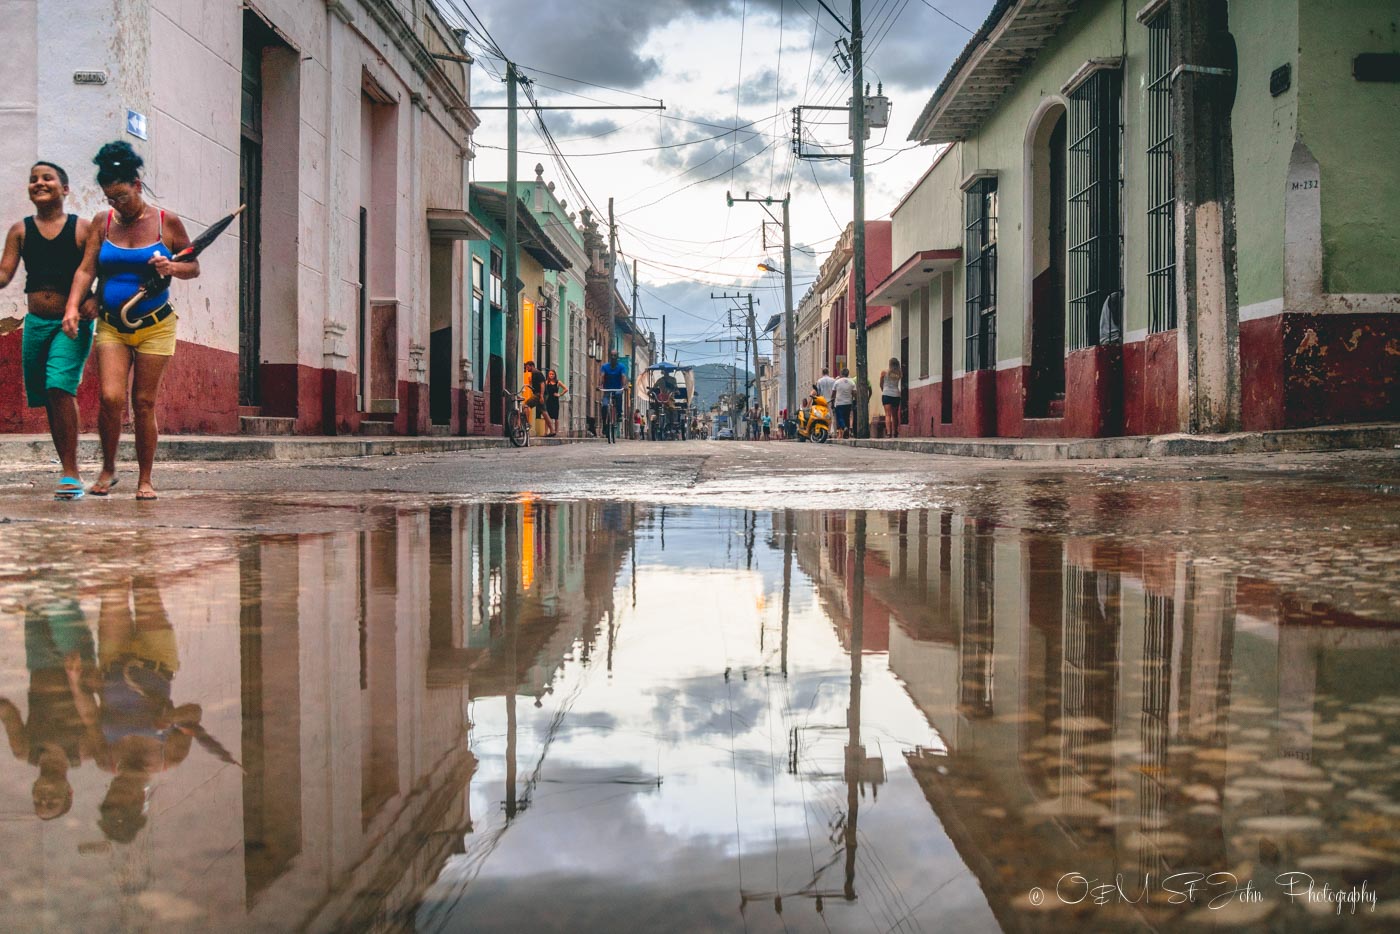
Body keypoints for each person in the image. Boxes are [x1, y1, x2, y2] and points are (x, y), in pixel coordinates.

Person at [66, 142, 201, 502]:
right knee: (110, 397)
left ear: (137, 186)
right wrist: (74, 306)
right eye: (110, 199)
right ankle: (109, 469)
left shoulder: (166, 222)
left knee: (143, 402)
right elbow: (86, 268)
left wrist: (171, 267)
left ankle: (145, 478)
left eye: (122, 197)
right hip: (112, 324)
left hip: (155, 325)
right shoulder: (103, 222)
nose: (117, 206)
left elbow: (193, 265)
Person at [0, 162, 97, 500]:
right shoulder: (20, 231)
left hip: (72, 325)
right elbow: (4, 275)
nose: (39, 183)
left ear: (65, 189)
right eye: (33, 179)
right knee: (47, 398)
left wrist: (95, 299)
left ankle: (71, 473)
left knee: (59, 387)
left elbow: (102, 268)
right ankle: (66, 468)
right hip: (36, 325)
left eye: (47, 178)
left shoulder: (83, 229)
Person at [0, 581, 98, 820]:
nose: (44, 797)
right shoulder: (84, 751)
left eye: (38, 801)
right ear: (69, 792)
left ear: (33, 790)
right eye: (52, 801)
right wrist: (75, 680)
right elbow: (93, 713)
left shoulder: (25, 750)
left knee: (35, 593)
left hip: (39, 661)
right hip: (75, 663)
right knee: (59, 594)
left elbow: (6, 711)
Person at [599, 350, 626, 443]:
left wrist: (624, 386)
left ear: (617, 357)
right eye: (612, 355)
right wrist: (600, 385)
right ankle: (604, 423)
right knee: (605, 405)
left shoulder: (621, 367)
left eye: (615, 356)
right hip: (607, 390)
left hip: (617, 389)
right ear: (610, 357)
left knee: (618, 396)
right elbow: (602, 376)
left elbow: (623, 377)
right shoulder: (605, 366)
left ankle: (619, 413)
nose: (613, 357)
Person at [880, 356, 903, 439]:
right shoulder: (899, 374)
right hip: (896, 394)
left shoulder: (884, 372)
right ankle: (895, 432)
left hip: (886, 393)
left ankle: (888, 432)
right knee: (895, 415)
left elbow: (881, 383)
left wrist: (883, 389)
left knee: (887, 414)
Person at [832, 368, 857, 439]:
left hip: (839, 402)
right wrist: (855, 399)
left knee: (840, 417)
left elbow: (833, 392)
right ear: (848, 374)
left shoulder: (837, 382)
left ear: (841, 373)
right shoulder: (852, 382)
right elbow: (854, 393)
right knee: (847, 418)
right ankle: (847, 433)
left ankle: (844, 427)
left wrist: (832, 398)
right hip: (848, 402)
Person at [542, 368, 567, 437]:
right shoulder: (546, 382)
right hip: (548, 401)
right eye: (550, 374)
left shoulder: (558, 382)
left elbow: (566, 389)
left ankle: (556, 432)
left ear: (555, 375)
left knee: (556, 417)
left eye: (552, 374)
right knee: (547, 417)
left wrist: (560, 394)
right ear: (548, 375)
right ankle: (546, 432)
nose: (551, 375)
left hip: (555, 401)